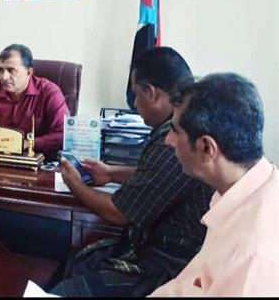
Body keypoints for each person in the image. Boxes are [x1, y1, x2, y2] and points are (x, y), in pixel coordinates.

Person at [51, 47, 212, 297]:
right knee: (79, 259)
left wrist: (76, 185)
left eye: (136, 95)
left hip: (169, 266)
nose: (134, 105)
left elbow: (119, 213)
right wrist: (111, 173)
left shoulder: (178, 136)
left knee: (64, 289)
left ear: (152, 93)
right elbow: (158, 176)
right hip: (155, 249)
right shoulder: (183, 126)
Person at [149, 73, 278, 296]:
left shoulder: (252, 255)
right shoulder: (243, 192)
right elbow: (191, 285)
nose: (168, 140)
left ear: (207, 148)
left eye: (175, 131)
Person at [0, 44, 68, 156]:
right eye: (1, 70)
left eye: (11, 70)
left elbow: (64, 135)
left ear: (29, 72)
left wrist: (27, 144)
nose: (4, 77)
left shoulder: (50, 92)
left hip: (37, 158)